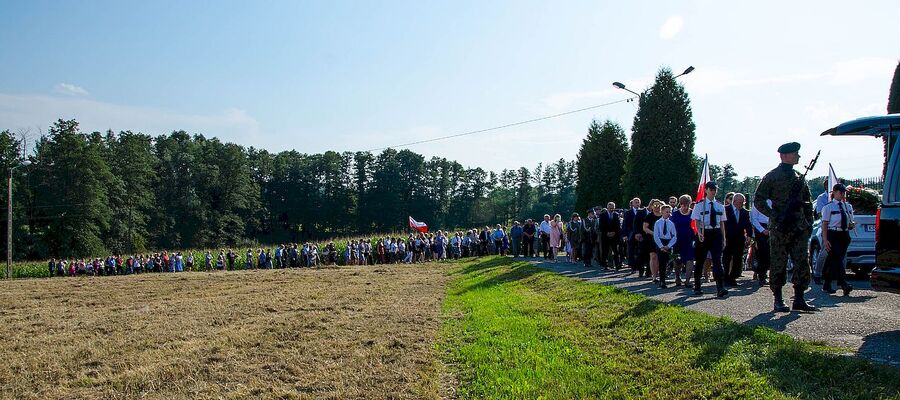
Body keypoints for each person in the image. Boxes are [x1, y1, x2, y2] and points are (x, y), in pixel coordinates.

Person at [753, 141, 817, 312]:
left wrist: (809, 222)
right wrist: (774, 215)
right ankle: (778, 299)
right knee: (778, 262)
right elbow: (758, 200)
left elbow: (807, 203)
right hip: (780, 227)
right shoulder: (772, 176)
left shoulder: (799, 177)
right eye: (795, 153)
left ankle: (799, 298)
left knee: (802, 262)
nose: (798, 156)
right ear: (784, 155)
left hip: (798, 227)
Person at [692, 181, 729, 298]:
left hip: (716, 233)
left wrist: (723, 238)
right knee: (700, 260)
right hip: (704, 232)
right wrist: (699, 232)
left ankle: (720, 287)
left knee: (717, 260)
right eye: (711, 189)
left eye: (715, 189)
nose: (713, 191)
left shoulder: (719, 206)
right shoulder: (699, 205)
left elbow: (722, 223)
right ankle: (697, 285)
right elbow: (696, 221)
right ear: (706, 190)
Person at [820, 183, 855, 296]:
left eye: (844, 192)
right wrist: (825, 240)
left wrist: (851, 225)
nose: (842, 194)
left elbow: (850, 221)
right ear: (834, 192)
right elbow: (824, 224)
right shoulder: (828, 207)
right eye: (840, 192)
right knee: (838, 258)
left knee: (833, 259)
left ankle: (827, 283)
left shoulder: (847, 206)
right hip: (833, 233)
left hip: (844, 234)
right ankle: (843, 283)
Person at [723, 193, 752, 286]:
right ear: (734, 201)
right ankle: (725, 276)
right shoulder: (725, 209)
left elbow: (748, 225)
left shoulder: (745, 212)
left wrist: (749, 236)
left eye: (742, 203)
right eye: (739, 202)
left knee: (737, 258)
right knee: (726, 258)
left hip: (739, 239)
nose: (741, 205)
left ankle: (733, 277)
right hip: (727, 238)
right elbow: (722, 224)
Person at [671, 195, 695, 287]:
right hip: (678, 240)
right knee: (678, 261)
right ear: (680, 204)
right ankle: (677, 277)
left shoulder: (693, 213)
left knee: (690, 260)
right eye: (683, 205)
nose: (685, 207)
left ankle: (688, 280)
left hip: (689, 240)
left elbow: (696, 225)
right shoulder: (675, 214)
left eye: (687, 205)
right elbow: (671, 226)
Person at [654, 205, 678, 289]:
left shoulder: (671, 223)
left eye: (669, 212)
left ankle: (667, 275)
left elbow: (674, 236)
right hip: (660, 242)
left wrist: (668, 246)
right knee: (662, 263)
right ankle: (662, 280)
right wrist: (661, 246)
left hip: (668, 243)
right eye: (666, 212)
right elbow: (656, 236)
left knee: (668, 261)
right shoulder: (658, 223)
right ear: (662, 212)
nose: (668, 213)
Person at [750, 199, 772, 286]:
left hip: (773, 227)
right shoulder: (758, 202)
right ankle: (762, 276)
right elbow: (754, 219)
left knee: (773, 253)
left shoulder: (776, 200)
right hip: (761, 228)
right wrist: (762, 230)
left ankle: (772, 276)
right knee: (763, 253)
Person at [642, 200, 663, 281]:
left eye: (658, 205)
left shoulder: (664, 215)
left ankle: (661, 274)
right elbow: (645, 228)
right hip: (651, 239)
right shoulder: (649, 216)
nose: (657, 207)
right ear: (651, 206)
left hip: (663, 239)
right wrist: (654, 233)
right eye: (655, 205)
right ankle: (654, 276)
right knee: (653, 256)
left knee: (662, 257)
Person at [599, 202, 622, 270]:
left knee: (616, 251)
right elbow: (601, 226)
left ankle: (617, 265)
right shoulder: (603, 215)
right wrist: (606, 233)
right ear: (607, 208)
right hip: (605, 236)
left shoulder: (616, 215)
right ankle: (605, 265)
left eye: (613, 208)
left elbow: (618, 225)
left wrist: (614, 232)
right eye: (610, 208)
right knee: (605, 251)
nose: (611, 209)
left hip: (614, 236)